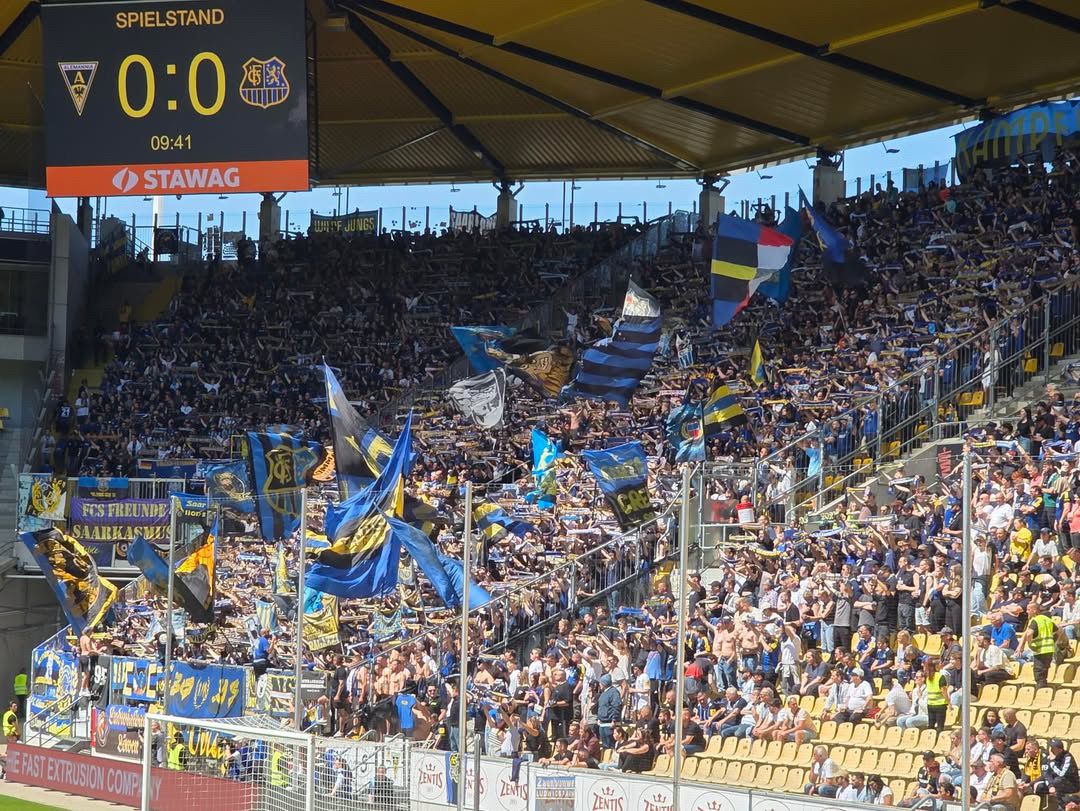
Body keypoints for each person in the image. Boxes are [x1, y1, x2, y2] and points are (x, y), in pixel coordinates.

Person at [1015, 600, 1057, 688]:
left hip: (1040, 649)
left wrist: (1030, 645)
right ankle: (1044, 691)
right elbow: (1058, 631)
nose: (1027, 612)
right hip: (1049, 650)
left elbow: (1029, 633)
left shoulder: (1035, 620)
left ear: (1034, 610)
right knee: (1044, 672)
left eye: (1028, 609)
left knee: (1039, 673)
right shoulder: (1047, 619)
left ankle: (1041, 693)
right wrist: (1021, 645)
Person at [924, 658, 950, 732]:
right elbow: (943, 691)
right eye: (939, 664)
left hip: (930, 704)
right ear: (936, 666)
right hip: (940, 704)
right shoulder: (940, 676)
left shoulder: (928, 677)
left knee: (931, 725)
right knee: (940, 726)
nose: (941, 665)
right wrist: (949, 703)